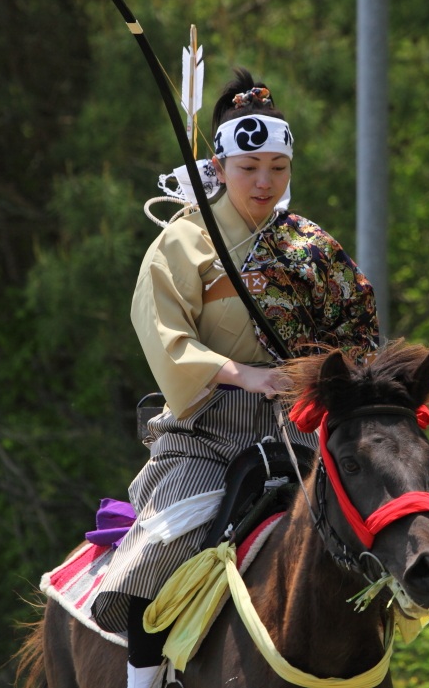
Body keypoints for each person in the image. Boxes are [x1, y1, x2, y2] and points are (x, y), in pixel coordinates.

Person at [91, 68, 381, 688]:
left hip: (300, 431)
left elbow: (355, 321)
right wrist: (243, 374)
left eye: (277, 167)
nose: (264, 182)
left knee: (374, 542)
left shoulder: (311, 246)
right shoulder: (183, 243)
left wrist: (337, 379)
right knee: (155, 560)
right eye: (249, 167)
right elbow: (166, 336)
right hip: (209, 431)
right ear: (218, 167)